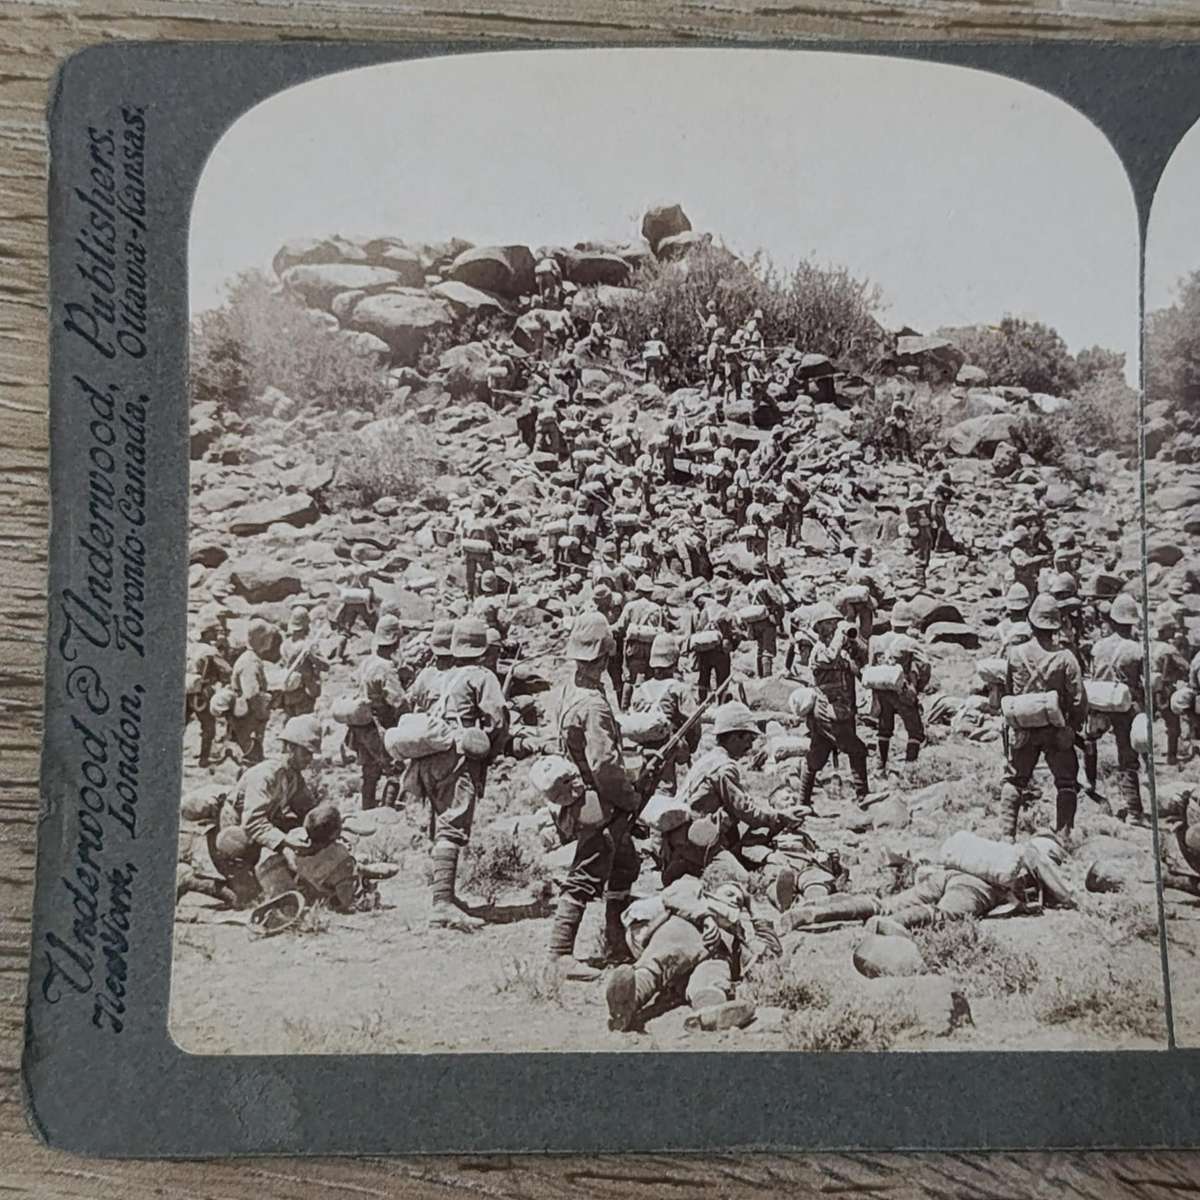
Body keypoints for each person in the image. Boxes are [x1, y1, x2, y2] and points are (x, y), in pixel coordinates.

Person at [400, 617, 510, 931]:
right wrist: (491, 746)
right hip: (457, 759)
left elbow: (410, 704)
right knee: (453, 826)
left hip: (426, 759)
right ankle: (443, 906)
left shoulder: (431, 675)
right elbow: (497, 719)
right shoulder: (481, 676)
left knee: (441, 823)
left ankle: (444, 895)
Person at [549, 612, 642, 979]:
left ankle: (616, 943)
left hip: (586, 796)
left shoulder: (573, 690)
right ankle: (559, 954)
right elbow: (603, 765)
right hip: (597, 802)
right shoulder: (594, 705)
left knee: (624, 865)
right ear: (604, 659)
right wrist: (630, 798)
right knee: (586, 873)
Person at [662, 701, 801, 885]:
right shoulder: (725, 768)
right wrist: (778, 817)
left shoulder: (709, 759)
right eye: (747, 740)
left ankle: (687, 863)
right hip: (695, 838)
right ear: (734, 737)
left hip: (682, 833)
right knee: (742, 880)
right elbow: (745, 810)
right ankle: (687, 865)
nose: (750, 747)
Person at [605, 877, 770, 1032]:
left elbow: (771, 953)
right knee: (660, 962)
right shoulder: (694, 889)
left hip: (701, 965)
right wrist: (706, 918)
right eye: (729, 893)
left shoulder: (736, 935)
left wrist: (751, 905)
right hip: (681, 935)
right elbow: (672, 895)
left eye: (739, 901)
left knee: (712, 977)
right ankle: (627, 1004)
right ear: (712, 891)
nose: (734, 899)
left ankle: (709, 1012)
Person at [205, 715, 323, 908]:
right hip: (231, 842)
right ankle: (192, 881)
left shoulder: (293, 778)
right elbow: (252, 822)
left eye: (311, 754)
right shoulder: (265, 776)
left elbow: (308, 811)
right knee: (252, 900)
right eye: (306, 753)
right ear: (290, 748)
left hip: (254, 839)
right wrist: (285, 845)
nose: (309, 759)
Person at [999, 594, 1088, 840]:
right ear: (1056, 625)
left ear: (1031, 622)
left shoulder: (1014, 653)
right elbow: (1079, 699)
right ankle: (1063, 835)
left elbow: (1008, 689)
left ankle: (1007, 836)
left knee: (1015, 780)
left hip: (1024, 728)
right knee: (1066, 782)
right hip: (1055, 729)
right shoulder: (1066, 657)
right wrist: (1073, 727)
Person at [796, 602, 871, 808]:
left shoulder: (842, 651)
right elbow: (829, 658)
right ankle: (863, 796)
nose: (834, 626)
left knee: (817, 756)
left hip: (840, 710)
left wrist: (853, 643)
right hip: (827, 710)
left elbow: (861, 663)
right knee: (857, 750)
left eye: (835, 623)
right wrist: (840, 637)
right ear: (819, 628)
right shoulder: (818, 650)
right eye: (828, 623)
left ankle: (802, 803)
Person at [1084, 593, 1147, 825]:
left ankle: (1089, 782)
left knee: (1089, 740)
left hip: (1099, 700)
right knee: (1127, 757)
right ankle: (1134, 811)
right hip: (1124, 705)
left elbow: (1092, 672)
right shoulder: (1136, 649)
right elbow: (1144, 681)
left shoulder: (1098, 646)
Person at [628, 634, 701, 794]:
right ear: (674, 661)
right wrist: (690, 748)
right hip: (665, 749)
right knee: (663, 793)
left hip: (639, 750)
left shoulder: (640, 689)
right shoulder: (678, 688)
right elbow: (694, 721)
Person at [349, 612, 407, 811]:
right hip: (379, 726)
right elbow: (398, 701)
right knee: (395, 769)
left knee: (369, 771)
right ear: (395, 640)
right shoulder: (386, 667)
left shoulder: (367, 661)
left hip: (361, 726)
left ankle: (366, 810)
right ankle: (387, 813)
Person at [868, 601, 931, 770]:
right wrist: (918, 687)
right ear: (909, 623)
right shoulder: (909, 642)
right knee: (915, 730)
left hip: (881, 689)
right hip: (901, 690)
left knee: (884, 729)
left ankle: (879, 767)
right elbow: (925, 665)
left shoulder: (877, 640)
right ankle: (910, 770)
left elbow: (871, 665)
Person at [615, 575, 671, 710]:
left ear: (638, 590)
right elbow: (664, 630)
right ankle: (648, 708)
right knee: (650, 680)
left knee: (630, 680)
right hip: (652, 650)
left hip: (634, 650)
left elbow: (620, 627)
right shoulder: (657, 608)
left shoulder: (630, 606)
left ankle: (625, 708)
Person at [228, 618, 278, 767]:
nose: (271, 641)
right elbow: (252, 694)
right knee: (250, 760)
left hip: (248, 718)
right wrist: (269, 699)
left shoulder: (250, 658)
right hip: (248, 720)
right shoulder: (250, 662)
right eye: (269, 638)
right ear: (261, 640)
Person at [186, 612, 232, 767]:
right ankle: (204, 759)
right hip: (202, 693)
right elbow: (226, 670)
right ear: (207, 632)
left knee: (182, 723)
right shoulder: (210, 651)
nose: (215, 634)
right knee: (208, 727)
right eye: (213, 631)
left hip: (186, 689)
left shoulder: (190, 647)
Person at [277, 607, 328, 719]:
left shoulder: (284, 645)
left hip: (288, 693)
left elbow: (282, 665)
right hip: (305, 693)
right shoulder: (308, 645)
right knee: (304, 726)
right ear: (306, 625)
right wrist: (313, 656)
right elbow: (325, 666)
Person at [333, 544, 383, 657]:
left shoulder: (347, 570)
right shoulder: (365, 570)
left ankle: (338, 656)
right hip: (363, 601)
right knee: (375, 626)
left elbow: (338, 580)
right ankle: (382, 651)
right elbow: (377, 573)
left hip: (350, 601)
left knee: (346, 628)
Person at [691, 581, 737, 702]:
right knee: (722, 680)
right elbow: (734, 632)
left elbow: (699, 629)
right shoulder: (727, 613)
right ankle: (721, 705)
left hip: (705, 650)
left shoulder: (706, 610)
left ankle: (702, 703)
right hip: (720, 652)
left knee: (703, 678)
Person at [460, 497, 500, 601]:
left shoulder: (466, 522)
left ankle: (470, 595)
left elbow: (463, 536)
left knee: (470, 576)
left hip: (469, 551)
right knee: (489, 572)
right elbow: (495, 537)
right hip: (483, 553)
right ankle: (489, 594)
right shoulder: (487, 523)